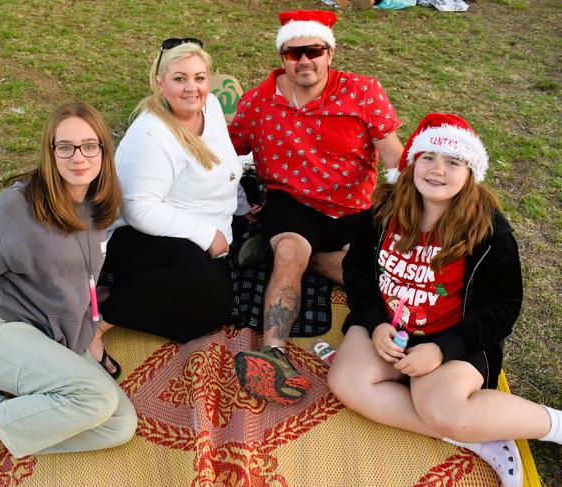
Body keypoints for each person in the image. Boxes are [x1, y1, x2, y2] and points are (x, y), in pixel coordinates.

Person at [326, 113, 562, 487]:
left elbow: (502, 307)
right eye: (428, 158)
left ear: (471, 172)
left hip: (455, 335)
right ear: (412, 163)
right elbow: (356, 271)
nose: (438, 170)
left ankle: (554, 424)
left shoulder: (489, 229)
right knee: (347, 384)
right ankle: (477, 437)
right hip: (392, 326)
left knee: (441, 408)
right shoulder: (384, 213)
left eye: (453, 162)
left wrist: (443, 349)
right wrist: (373, 323)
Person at [0, 102, 138, 487]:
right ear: (50, 153)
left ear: (103, 150)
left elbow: (81, 283)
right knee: (95, 399)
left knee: (120, 424)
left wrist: (89, 334)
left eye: (89, 146)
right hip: (0, 329)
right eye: (64, 146)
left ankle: (1, 411)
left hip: (50, 337)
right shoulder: (18, 207)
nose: (78, 157)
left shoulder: (97, 206)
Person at [229, 9, 404, 404]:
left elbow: (395, 158)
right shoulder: (259, 102)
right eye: (294, 53)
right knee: (291, 250)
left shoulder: (362, 92)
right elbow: (224, 151)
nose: (305, 60)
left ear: (329, 53)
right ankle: (271, 353)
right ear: (282, 57)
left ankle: (269, 251)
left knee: (375, 277)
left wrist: (422, 206)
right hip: (292, 203)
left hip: (352, 208)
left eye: (314, 50)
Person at [88, 39, 242, 371]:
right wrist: (208, 235)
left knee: (212, 299)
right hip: (137, 235)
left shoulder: (210, 107)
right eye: (180, 78)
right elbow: (138, 209)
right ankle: (99, 322)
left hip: (196, 224)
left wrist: (241, 204)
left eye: (199, 78)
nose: (192, 88)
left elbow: (224, 162)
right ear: (160, 82)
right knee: (212, 302)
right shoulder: (151, 134)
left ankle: (127, 291)